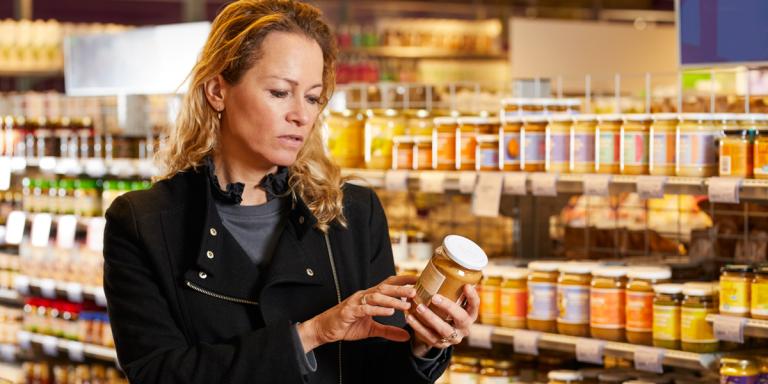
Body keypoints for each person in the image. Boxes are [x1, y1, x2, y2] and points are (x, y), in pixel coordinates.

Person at [103, 0, 479, 383]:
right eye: (280, 92)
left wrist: (423, 346)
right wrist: (310, 335)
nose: (301, 115)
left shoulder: (354, 212)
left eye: (313, 97)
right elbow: (157, 373)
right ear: (218, 91)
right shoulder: (142, 223)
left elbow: (382, 371)